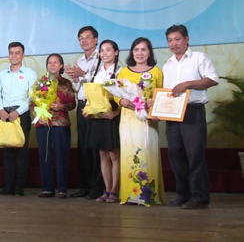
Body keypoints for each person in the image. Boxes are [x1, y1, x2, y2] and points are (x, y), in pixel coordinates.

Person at [162, 24, 218, 210]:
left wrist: (188, 84)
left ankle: (200, 197)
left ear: (187, 39)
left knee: (195, 155)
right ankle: (183, 195)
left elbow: (212, 79)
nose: (173, 44)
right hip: (172, 114)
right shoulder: (167, 64)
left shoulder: (199, 58)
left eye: (177, 39)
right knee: (176, 155)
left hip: (192, 112)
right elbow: (166, 93)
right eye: (170, 40)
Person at [117, 37, 165, 206]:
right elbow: (117, 93)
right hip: (128, 118)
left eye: (143, 49)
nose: (140, 53)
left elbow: (161, 93)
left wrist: (154, 104)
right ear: (132, 52)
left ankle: (148, 195)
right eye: (136, 50)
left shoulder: (157, 72)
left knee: (147, 152)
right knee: (130, 152)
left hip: (148, 120)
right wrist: (121, 101)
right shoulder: (123, 72)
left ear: (149, 52)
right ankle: (130, 195)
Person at [65, 26, 104, 199]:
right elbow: (77, 88)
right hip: (82, 106)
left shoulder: (102, 58)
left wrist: (83, 74)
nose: (84, 41)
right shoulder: (80, 60)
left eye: (87, 37)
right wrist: (75, 79)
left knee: (96, 147)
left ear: (96, 40)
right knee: (84, 147)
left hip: (96, 106)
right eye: (81, 38)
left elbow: (101, 83)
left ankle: (98, 187)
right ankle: (86, 185)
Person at [0, 42, 37, 196]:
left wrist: (18, 112)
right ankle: (8, 187)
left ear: (23, 55)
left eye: (17, 53)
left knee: (21, 151)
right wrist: (0, 110)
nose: (14, 56)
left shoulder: (29, 73)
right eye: (11, 53)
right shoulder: (2, 74)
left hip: (21, 115)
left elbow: (32, 96)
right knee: (7, 151)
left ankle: (19, 188)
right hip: (5, 114)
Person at [84, 40, 121, 203]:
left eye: (108, 50)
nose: (105, 53)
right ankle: (106, 189)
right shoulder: (96, 72)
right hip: (97, 113)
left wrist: (116, 112)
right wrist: (87, 108)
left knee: (114, 153)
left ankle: (115, 190)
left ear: (116, 52)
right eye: (102, 51)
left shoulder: (121, 71)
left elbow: (126, 95)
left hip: (112, 111)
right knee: (102, 153)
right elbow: (90, 92)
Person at [35, 54, 76, 199]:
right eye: (49, 62)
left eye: (55, 62)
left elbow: (73, 104)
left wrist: (61, 106)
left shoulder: (66, 84)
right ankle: (47, 188)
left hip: (61, 124)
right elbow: (33, 101)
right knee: (44, 156)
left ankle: (62, 188)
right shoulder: (40, 82)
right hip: (43, 124)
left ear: (61, 66)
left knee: (61, 156)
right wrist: (41, 107)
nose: (52, 65)